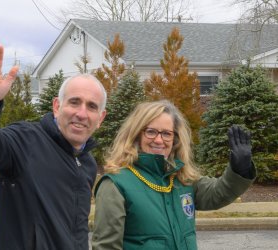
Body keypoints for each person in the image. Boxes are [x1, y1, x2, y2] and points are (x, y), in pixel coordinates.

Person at [0, 44, 107, 250]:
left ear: (100, 118)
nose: (82, 114)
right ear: (57, 107)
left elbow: (78, 230)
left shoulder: (88, 163)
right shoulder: (24, 142)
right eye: (74, 102)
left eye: (92, 106)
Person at [92, 100, 255, 250]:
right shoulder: (115, 185)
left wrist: (239, 169)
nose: (158, 140)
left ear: (175, 138)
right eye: (151, 131)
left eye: (166, 133)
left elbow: (217, 193)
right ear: (136, 134)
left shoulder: (180, 177)